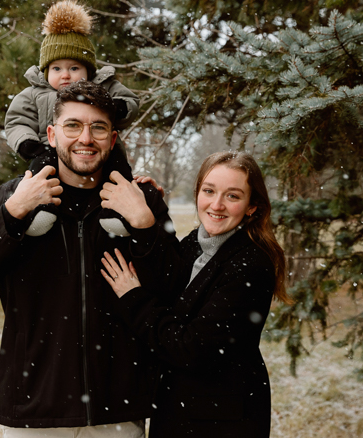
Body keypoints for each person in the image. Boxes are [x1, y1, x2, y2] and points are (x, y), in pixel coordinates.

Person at [0, 81, 171, 437]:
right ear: (52, 135)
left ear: (112, 139)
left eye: (98, 127)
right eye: (73, 125)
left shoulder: (138, 198)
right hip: (33, 408)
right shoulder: (16, 194)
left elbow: (172, 286)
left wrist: (146, 225)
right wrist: (14, 211)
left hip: (116, 408)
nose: (86, 138)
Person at [98, 151, 291, 438]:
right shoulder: (198, 243)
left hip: (221, 422)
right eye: (209, 191)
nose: (217, 205)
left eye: (233, 196)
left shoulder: (250, 264)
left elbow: (190, 348)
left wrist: (132, 297)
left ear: (252, 207)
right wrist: (152, 206)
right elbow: (167, 280)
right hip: (182, 412)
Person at [4, 0, 139, 237]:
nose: (65, 75)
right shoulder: (34, 93)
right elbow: (17, 121)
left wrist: (117, 108)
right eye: (57, 69)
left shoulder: (104, 86)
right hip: (46, 148)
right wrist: (27, 143)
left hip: (100, 149)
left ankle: (117, 210)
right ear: (46, 72)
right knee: (41, 172)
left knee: (118, 167)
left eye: (74, 68)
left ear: (89, 70)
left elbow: (131, 102)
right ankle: (41, 208)